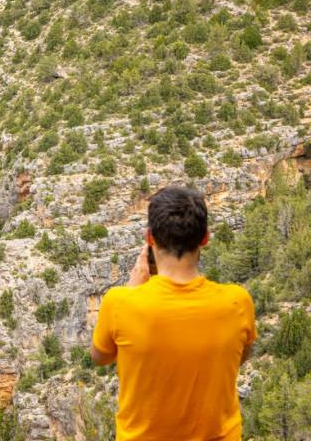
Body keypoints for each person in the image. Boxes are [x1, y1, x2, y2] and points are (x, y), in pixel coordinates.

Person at [90, 186, 257, 440]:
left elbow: (99, 356)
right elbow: (239, 357)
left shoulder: (120, 303)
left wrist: (133, 288)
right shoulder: (237, 302)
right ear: (205, 239)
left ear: (150, 238)